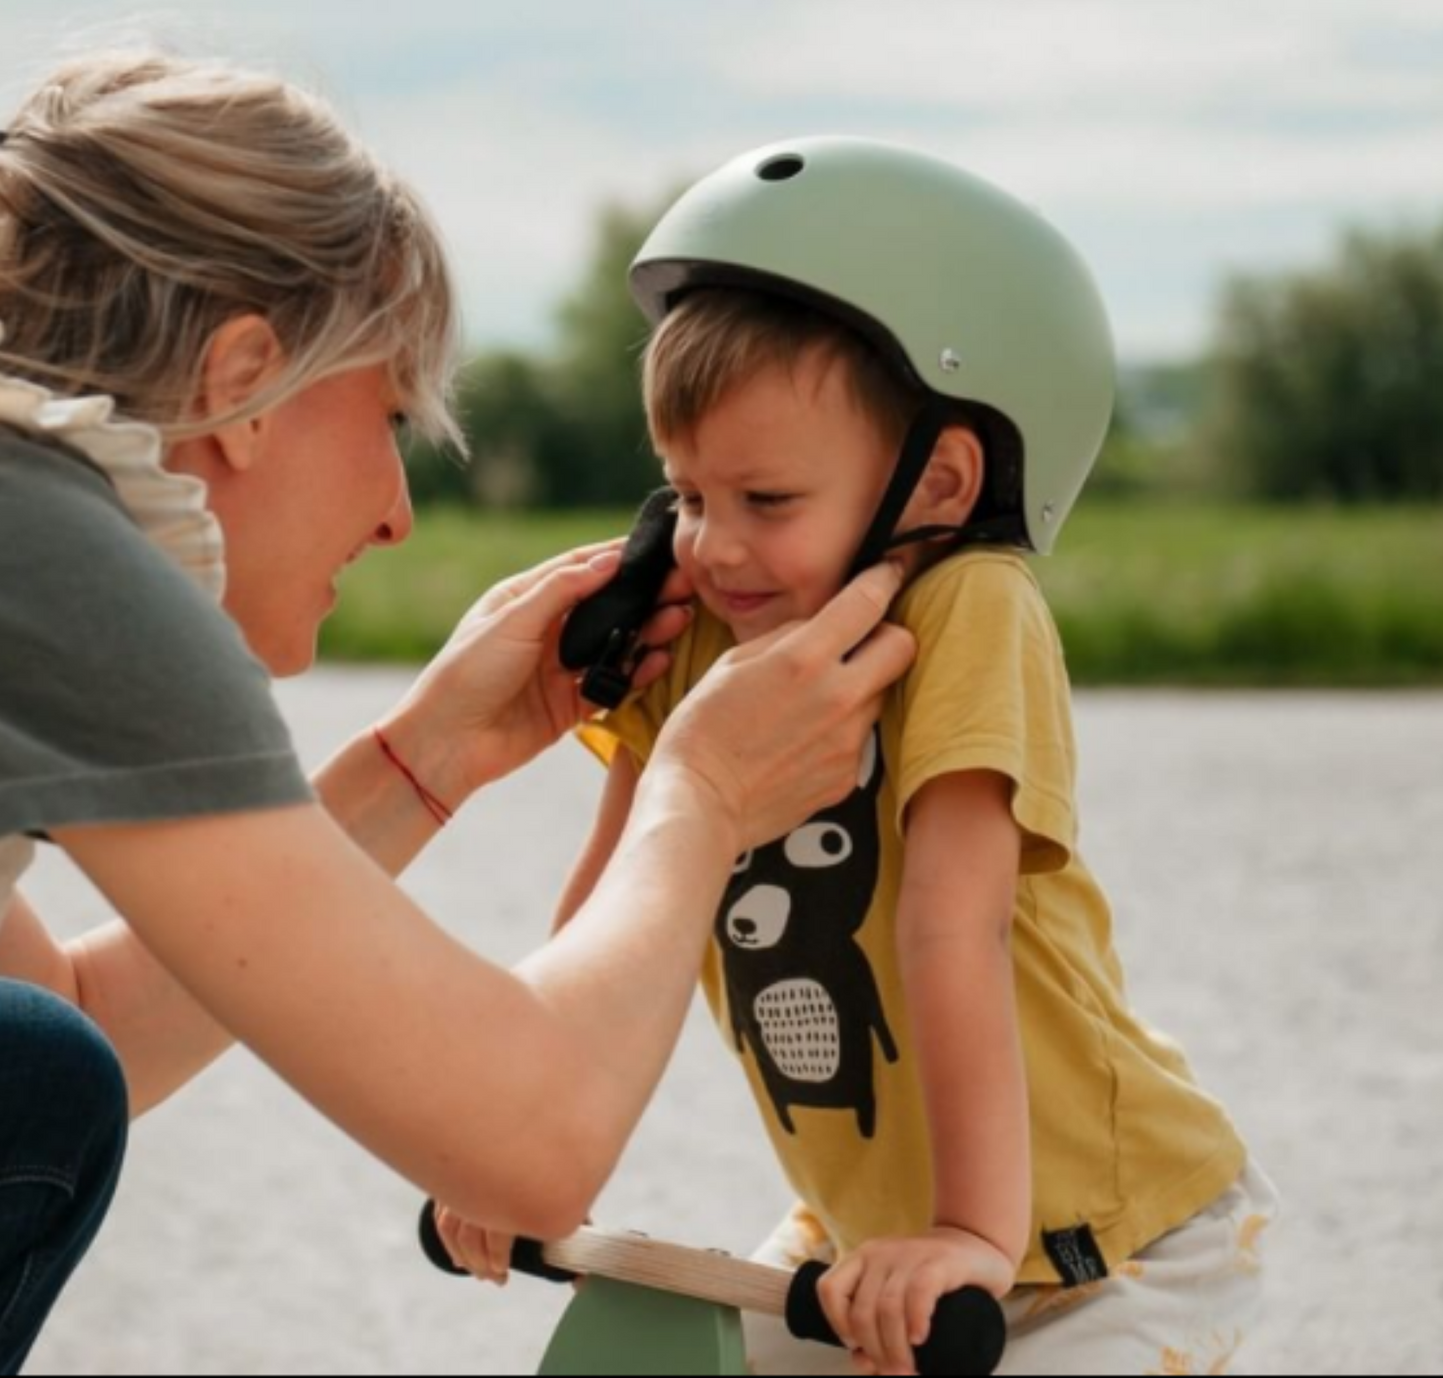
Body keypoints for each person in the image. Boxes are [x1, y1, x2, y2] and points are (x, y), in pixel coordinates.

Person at [0, 58, 916, 1375]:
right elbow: (533, 1146)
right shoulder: (55, 554)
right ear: (241, 377)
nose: (396, 513)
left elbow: (74, 1014)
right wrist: (704, 791)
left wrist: (422, 761)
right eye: (385, 412)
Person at [440, 138, 1279, 1377]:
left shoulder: (965, 607)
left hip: (1096, 1244)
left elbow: (953, 923)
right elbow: (613, 909)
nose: (713, 545)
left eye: (766, 500)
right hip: (872, 1244)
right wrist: (509, 1146)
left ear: (938, 479)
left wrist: (970, 1234)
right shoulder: (698, 625)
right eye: (687, 495)